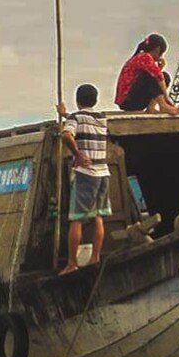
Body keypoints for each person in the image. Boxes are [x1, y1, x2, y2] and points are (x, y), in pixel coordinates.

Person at [57, 84, 111, 276]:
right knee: (98, 216)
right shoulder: (102, 119)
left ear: (77, 100)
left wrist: (77, 154)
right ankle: (95, 257)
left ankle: (72, 263)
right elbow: (83, 121)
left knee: (76, 219)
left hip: (86, 174)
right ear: (95, 101)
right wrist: (66, 115)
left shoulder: (75, 118)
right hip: (103, 173)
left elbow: (66, 135)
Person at [115, 34, 179, 115]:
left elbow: (155, 81)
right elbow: (158, 77)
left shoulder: (141, 57)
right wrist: (166, 98)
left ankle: (151, 107)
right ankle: (162, 105)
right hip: (128, 101)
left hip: (132, 100)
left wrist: (160, 68)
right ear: (157, 49)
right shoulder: (144, 56)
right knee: (156, 76)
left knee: (163, 76)